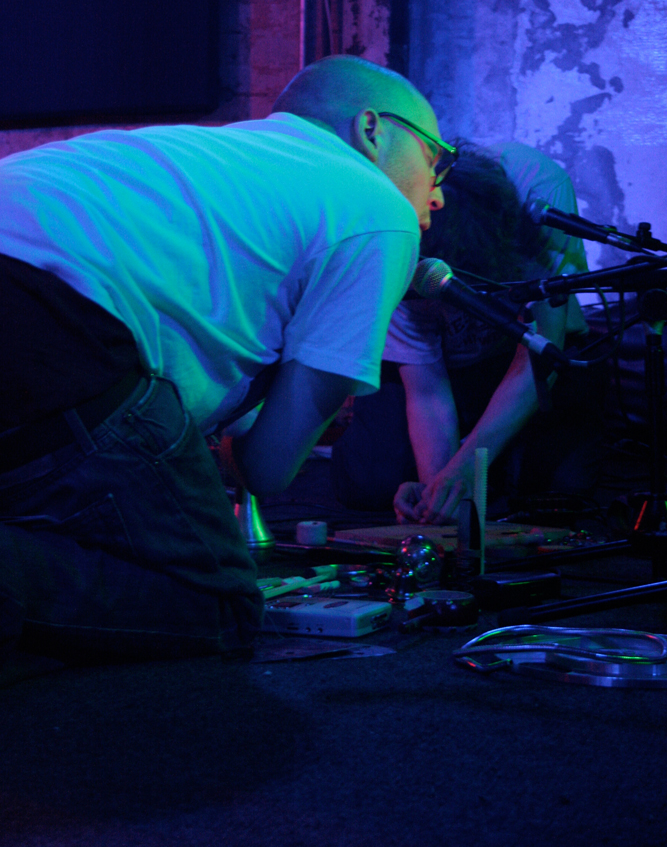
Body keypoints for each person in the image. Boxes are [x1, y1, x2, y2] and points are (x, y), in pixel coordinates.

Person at [0, 54, 450, 666]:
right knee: (215, 602)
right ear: (372, 129)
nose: (438, 193)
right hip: (50, 324)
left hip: (41, 310)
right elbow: (267, 467)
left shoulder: (210, 163)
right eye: (434, 157)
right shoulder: (379, 210)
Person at [331, 142, 603, 523]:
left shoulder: (538, 188)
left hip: (525, 357)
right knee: (372, 484)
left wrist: (464, 469)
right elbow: (426, 389)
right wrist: (440, 489)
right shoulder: (391, 231)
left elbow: (542, 347)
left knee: (560, 492)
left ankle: (495, 457)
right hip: (436, 365)